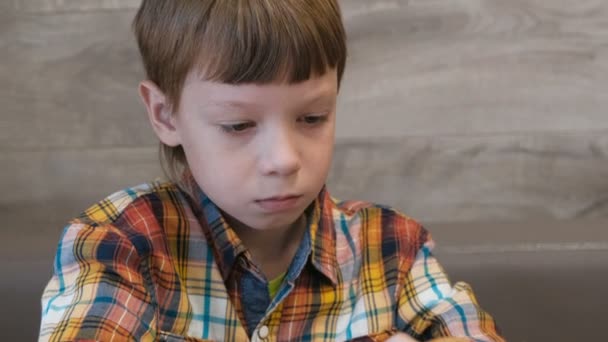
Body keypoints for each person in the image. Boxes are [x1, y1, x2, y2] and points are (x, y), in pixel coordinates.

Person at [39, 1, 504, 341]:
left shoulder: (393, 246)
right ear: (165, 114)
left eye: (312, 118)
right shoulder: (120, 242)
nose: (284, 159)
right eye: (238, 124)